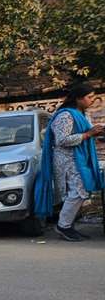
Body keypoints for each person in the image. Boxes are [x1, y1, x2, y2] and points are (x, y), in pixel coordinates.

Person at [35, 82, 105, 241]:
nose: (92, 100)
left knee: (80, 192)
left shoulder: (83, 114)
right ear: (78, 98)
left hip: (80, 159)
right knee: (78, 193)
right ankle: (63, 226)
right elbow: (61, 140)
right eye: (89, 97)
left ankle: (67, 225)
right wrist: (87, 134)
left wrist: (96, 132)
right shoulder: (65, 115)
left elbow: (87, 132)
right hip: (68, 160)